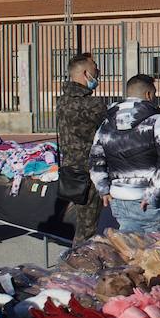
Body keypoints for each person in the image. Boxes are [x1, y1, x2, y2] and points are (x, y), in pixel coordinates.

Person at [90, 74, 160, 232]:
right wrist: (153, 192)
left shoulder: (107, 122)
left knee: (131, 251)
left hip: (119, 199)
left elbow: (96, 158)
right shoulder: (157, 120)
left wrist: (103, 188)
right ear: (149, 95)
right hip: (150, 199)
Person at [57, 53, 106, 243]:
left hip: (70, 169)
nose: (98, 71)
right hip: (89, 172)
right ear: (86, 73)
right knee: (87, 229)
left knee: (82, 221)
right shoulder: (93, 104)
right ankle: (79, 264)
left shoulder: (62, 101)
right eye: (95, 67)